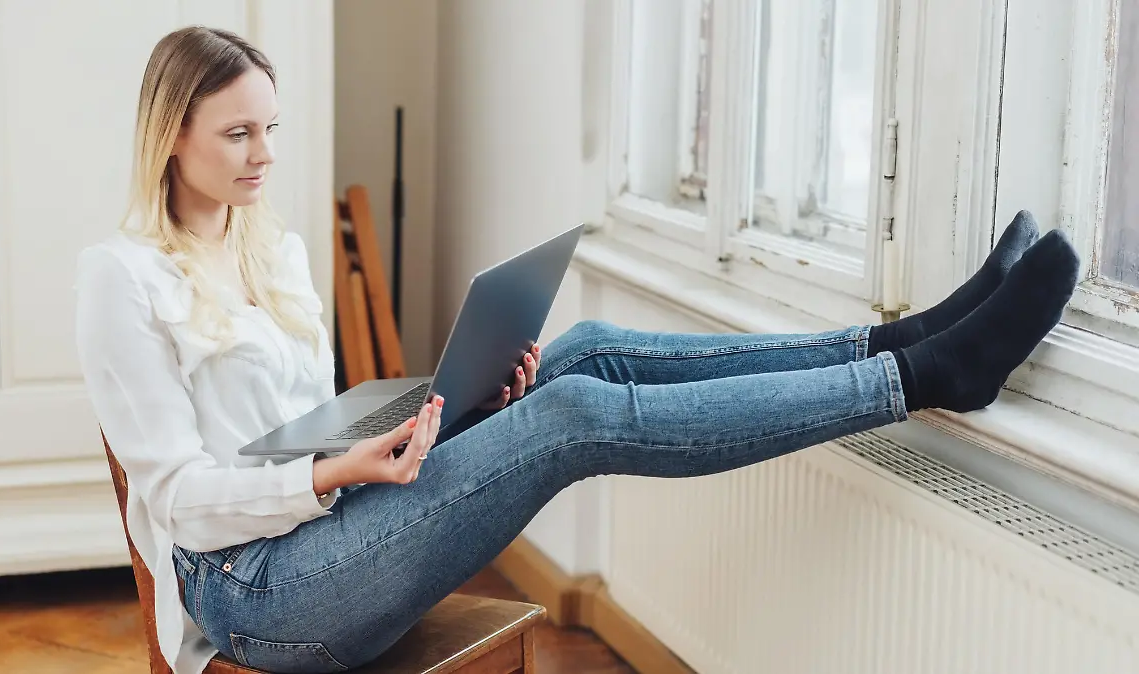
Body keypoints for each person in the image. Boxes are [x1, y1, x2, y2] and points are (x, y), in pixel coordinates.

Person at [75, 26, 1079, 674]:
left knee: (583, 350)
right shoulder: (122, 278)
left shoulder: (277, 252)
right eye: (239, 134)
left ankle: (895, 337)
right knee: (577, 414)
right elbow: (178, 497)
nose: (267, 155)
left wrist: (452, 409)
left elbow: (306, 422)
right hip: (251, 587)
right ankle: (925, 375)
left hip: (327, 514)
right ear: (173, 137)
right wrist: (335, 468)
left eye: (273, 128)